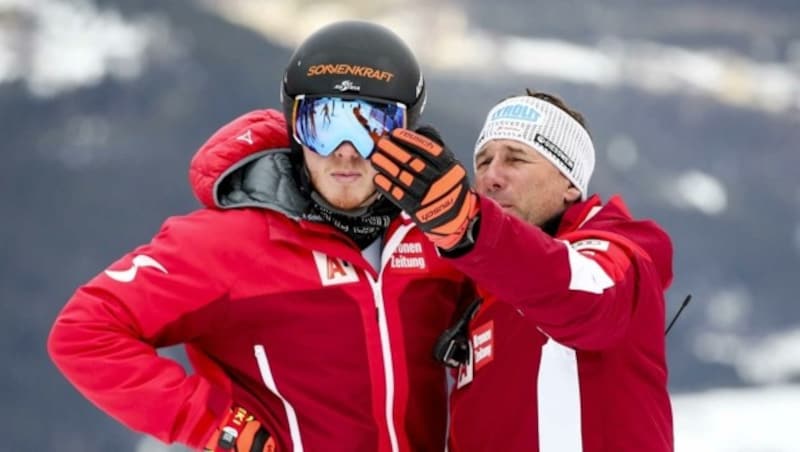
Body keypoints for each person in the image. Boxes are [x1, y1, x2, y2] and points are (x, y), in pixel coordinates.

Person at [47, 21, 475, 452]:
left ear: (406, 134)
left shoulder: (437, 239)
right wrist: (210, 423)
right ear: (294, 129)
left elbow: (528, 306)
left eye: (371, 128)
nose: (345, 150)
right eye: (323, 123)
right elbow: (85, 330)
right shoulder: (233, 243)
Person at [369, 90, 675, 451]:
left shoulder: (618, 255)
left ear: (571, 183)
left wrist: (468, 225)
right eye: (482, 162)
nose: (491, 178)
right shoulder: (482, 292)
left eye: (516, 159)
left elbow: (584, 294)